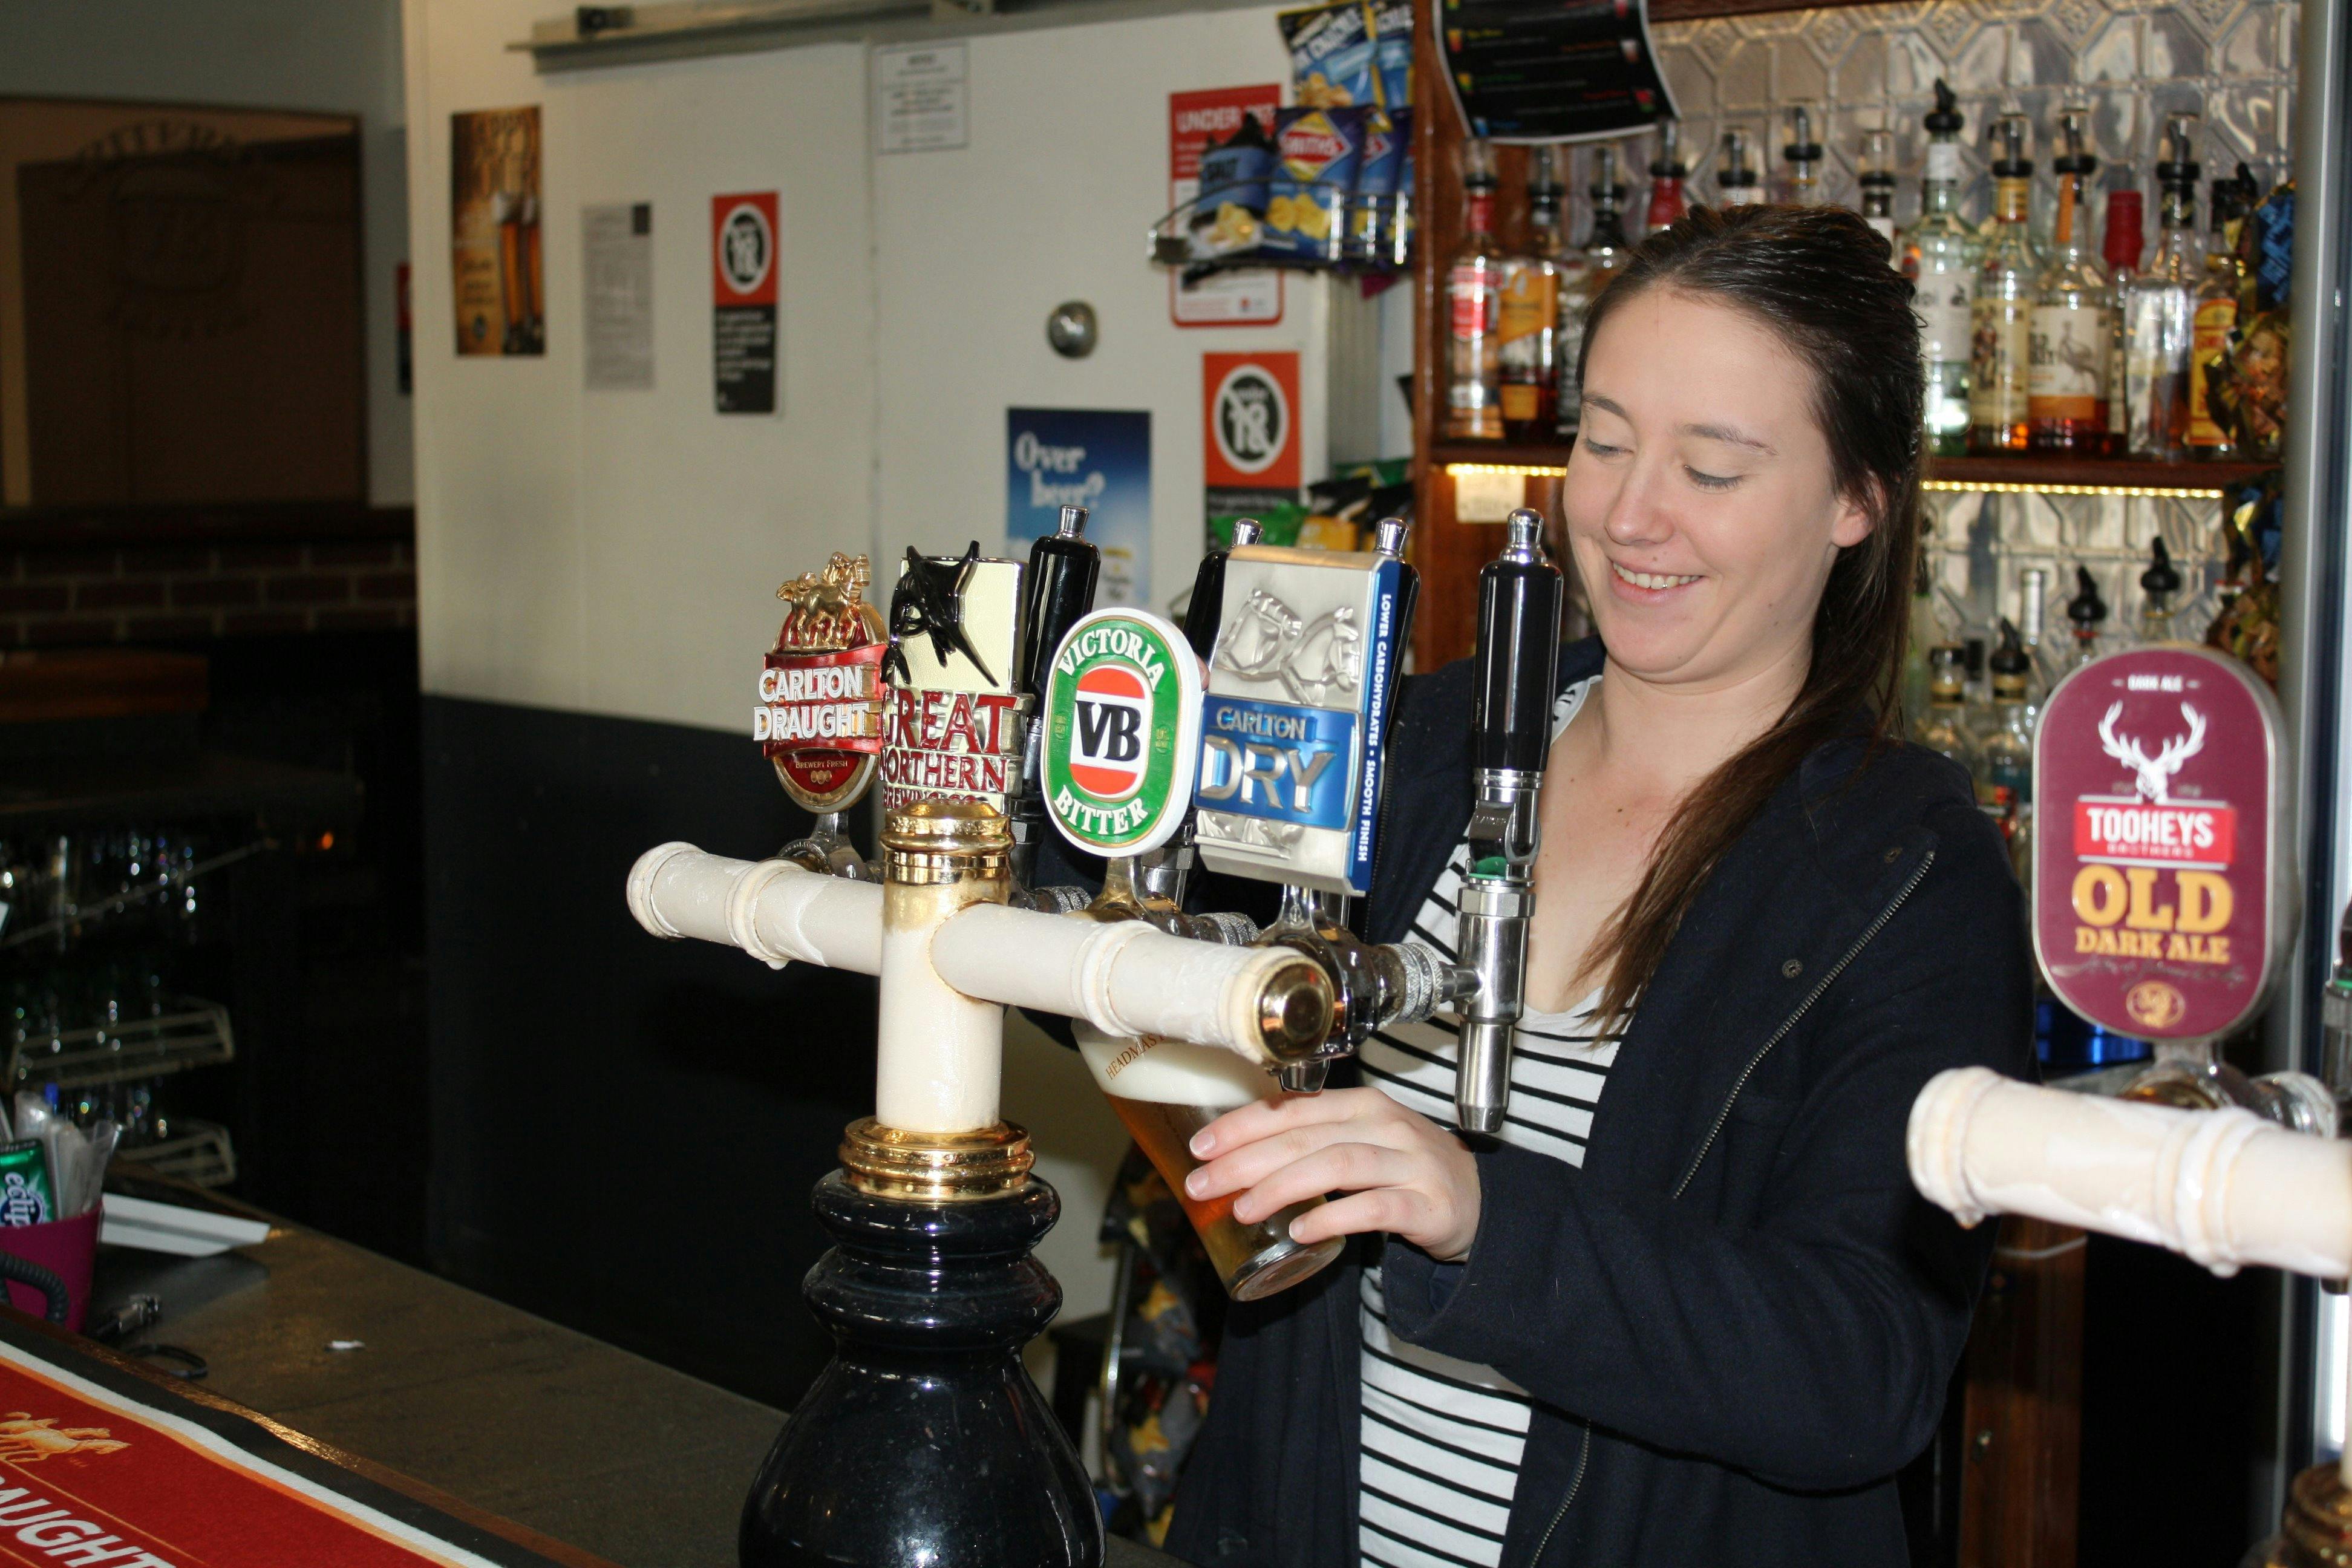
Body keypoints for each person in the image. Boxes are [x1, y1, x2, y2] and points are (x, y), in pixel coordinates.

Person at [1161, 204, 2036, 1566]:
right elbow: (1146, 971)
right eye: (1606, 440)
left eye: (1713, 467)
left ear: (1859, 501)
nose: (1629, 515)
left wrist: (1485, 1217)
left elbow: (1863, 1370)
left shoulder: (1909, 874)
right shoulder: (1420, 743)